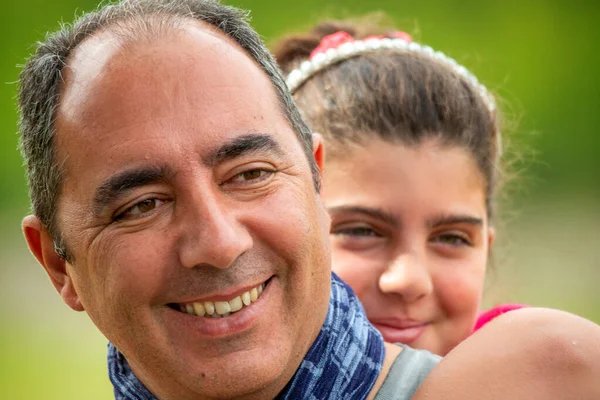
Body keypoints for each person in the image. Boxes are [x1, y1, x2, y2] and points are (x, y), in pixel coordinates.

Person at [17, 1, 600, 399]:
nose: (219, 243)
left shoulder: (553, 375)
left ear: (316, 184)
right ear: (57, 264)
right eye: (141, 204)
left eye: (249, 174)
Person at [274, 18, 525, 356]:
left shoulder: (541, 374)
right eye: (363, 231)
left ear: (486, 249)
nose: (409, 281)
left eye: (452, 238)